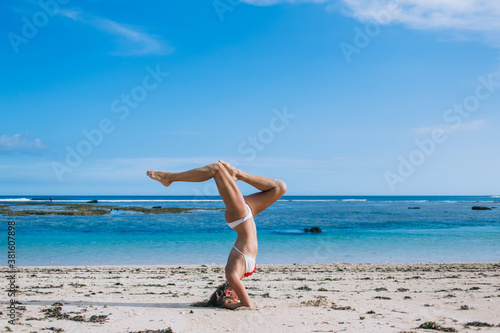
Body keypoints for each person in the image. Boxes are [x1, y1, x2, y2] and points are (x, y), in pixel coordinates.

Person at [147, 160, 286, 309]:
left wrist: (229, 304)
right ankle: (238, 174)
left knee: (216, 169)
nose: (237, 297)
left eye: (233, 298)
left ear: (226, 294)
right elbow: (244, 303)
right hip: (247, 216)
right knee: (280, 188)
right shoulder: (238, 275)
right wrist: (231, 303)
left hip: (240, 218)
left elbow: (247, 305)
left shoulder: (231, 276)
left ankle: (170, 178)